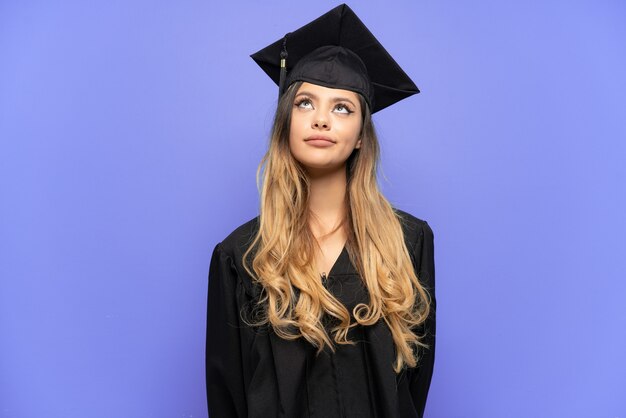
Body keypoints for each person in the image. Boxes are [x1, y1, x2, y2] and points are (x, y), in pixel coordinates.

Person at [206, 4, 436, 417]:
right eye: (305, 103)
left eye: (342, 107)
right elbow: (228, 395)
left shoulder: (409, 241)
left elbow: (412, 390)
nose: (322, 121)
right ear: (286, 124)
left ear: (361, 136)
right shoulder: (241, 256)